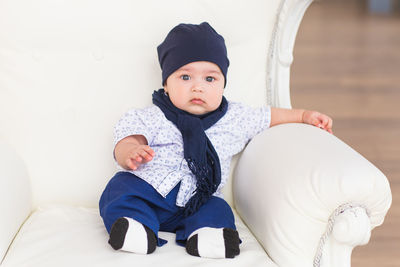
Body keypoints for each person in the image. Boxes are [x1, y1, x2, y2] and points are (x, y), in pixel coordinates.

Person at [99, 22, 333, 259]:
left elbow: (269, 116)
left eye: (210, 79)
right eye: (185, 77)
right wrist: (131, 150)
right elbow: (129, 136)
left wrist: (303, 116)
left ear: (223, 84)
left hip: (197, 199)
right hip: (150, 193)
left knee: (218, 208)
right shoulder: (153, 116)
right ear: (166, 85)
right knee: (119, 189)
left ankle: (208, 235)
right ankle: (135, 227)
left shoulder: (235, 118)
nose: (198, 87)